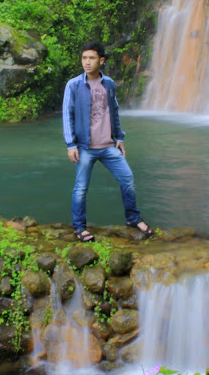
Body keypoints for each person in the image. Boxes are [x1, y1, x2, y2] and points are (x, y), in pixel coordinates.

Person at [62, 42, 152, 242]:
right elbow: (67, 115)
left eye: (91, 58)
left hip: (109, 146)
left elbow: (115, 111)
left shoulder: (109, 84)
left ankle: (132, 218)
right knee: (81, 188)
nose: (87, 62)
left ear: (101, 61)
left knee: (127, 178)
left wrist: (119, 138)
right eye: (84, 58)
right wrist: (71, 144)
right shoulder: (74, 85)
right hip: (85, 148)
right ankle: (79, 228)